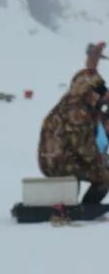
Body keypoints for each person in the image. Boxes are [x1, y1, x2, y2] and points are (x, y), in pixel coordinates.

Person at [38, 71, 109, 205]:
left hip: (66, 157)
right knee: (104, 175)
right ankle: (88, 208)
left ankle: (86, 207)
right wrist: (103, 163)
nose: (101, 95)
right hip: (58, 162)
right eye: (98, 91)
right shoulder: (76, 110)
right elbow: (84, 148)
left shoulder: (81, 105)